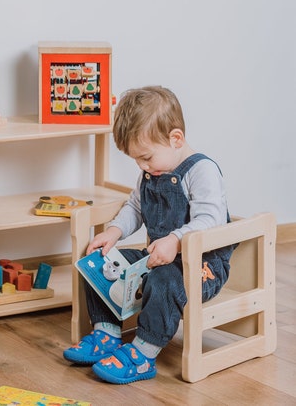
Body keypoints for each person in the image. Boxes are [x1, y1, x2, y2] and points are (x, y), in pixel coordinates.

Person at [63, 85, 234, 384]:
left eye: (146, 158)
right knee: (100, 262)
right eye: (136, 161)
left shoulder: (201, 171)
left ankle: (143, 353)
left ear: (175, 138)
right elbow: (135, 207)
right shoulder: (151, 171)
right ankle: (107, 332)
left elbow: (212, 220)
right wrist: (114, 231)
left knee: (165, 279)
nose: (142, 166)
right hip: (157, 257)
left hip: (202, 266)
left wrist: (177, 240)